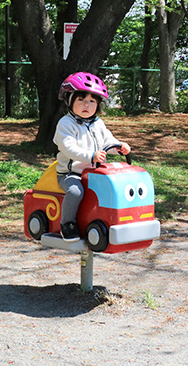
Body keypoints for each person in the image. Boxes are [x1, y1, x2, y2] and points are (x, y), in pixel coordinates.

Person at [50, 72, 130, 241]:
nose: (86, 105)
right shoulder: (65, 124)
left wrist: (119, 147)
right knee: (76, 191)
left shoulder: (98, 124)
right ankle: (68, 224)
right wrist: (91, 156)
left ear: (98, 104)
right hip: (71, 174)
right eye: (80, 100)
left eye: (92, 101)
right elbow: (68, 148)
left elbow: (107, 140)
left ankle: (111, 219)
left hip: (95, 173)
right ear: (69, 100)